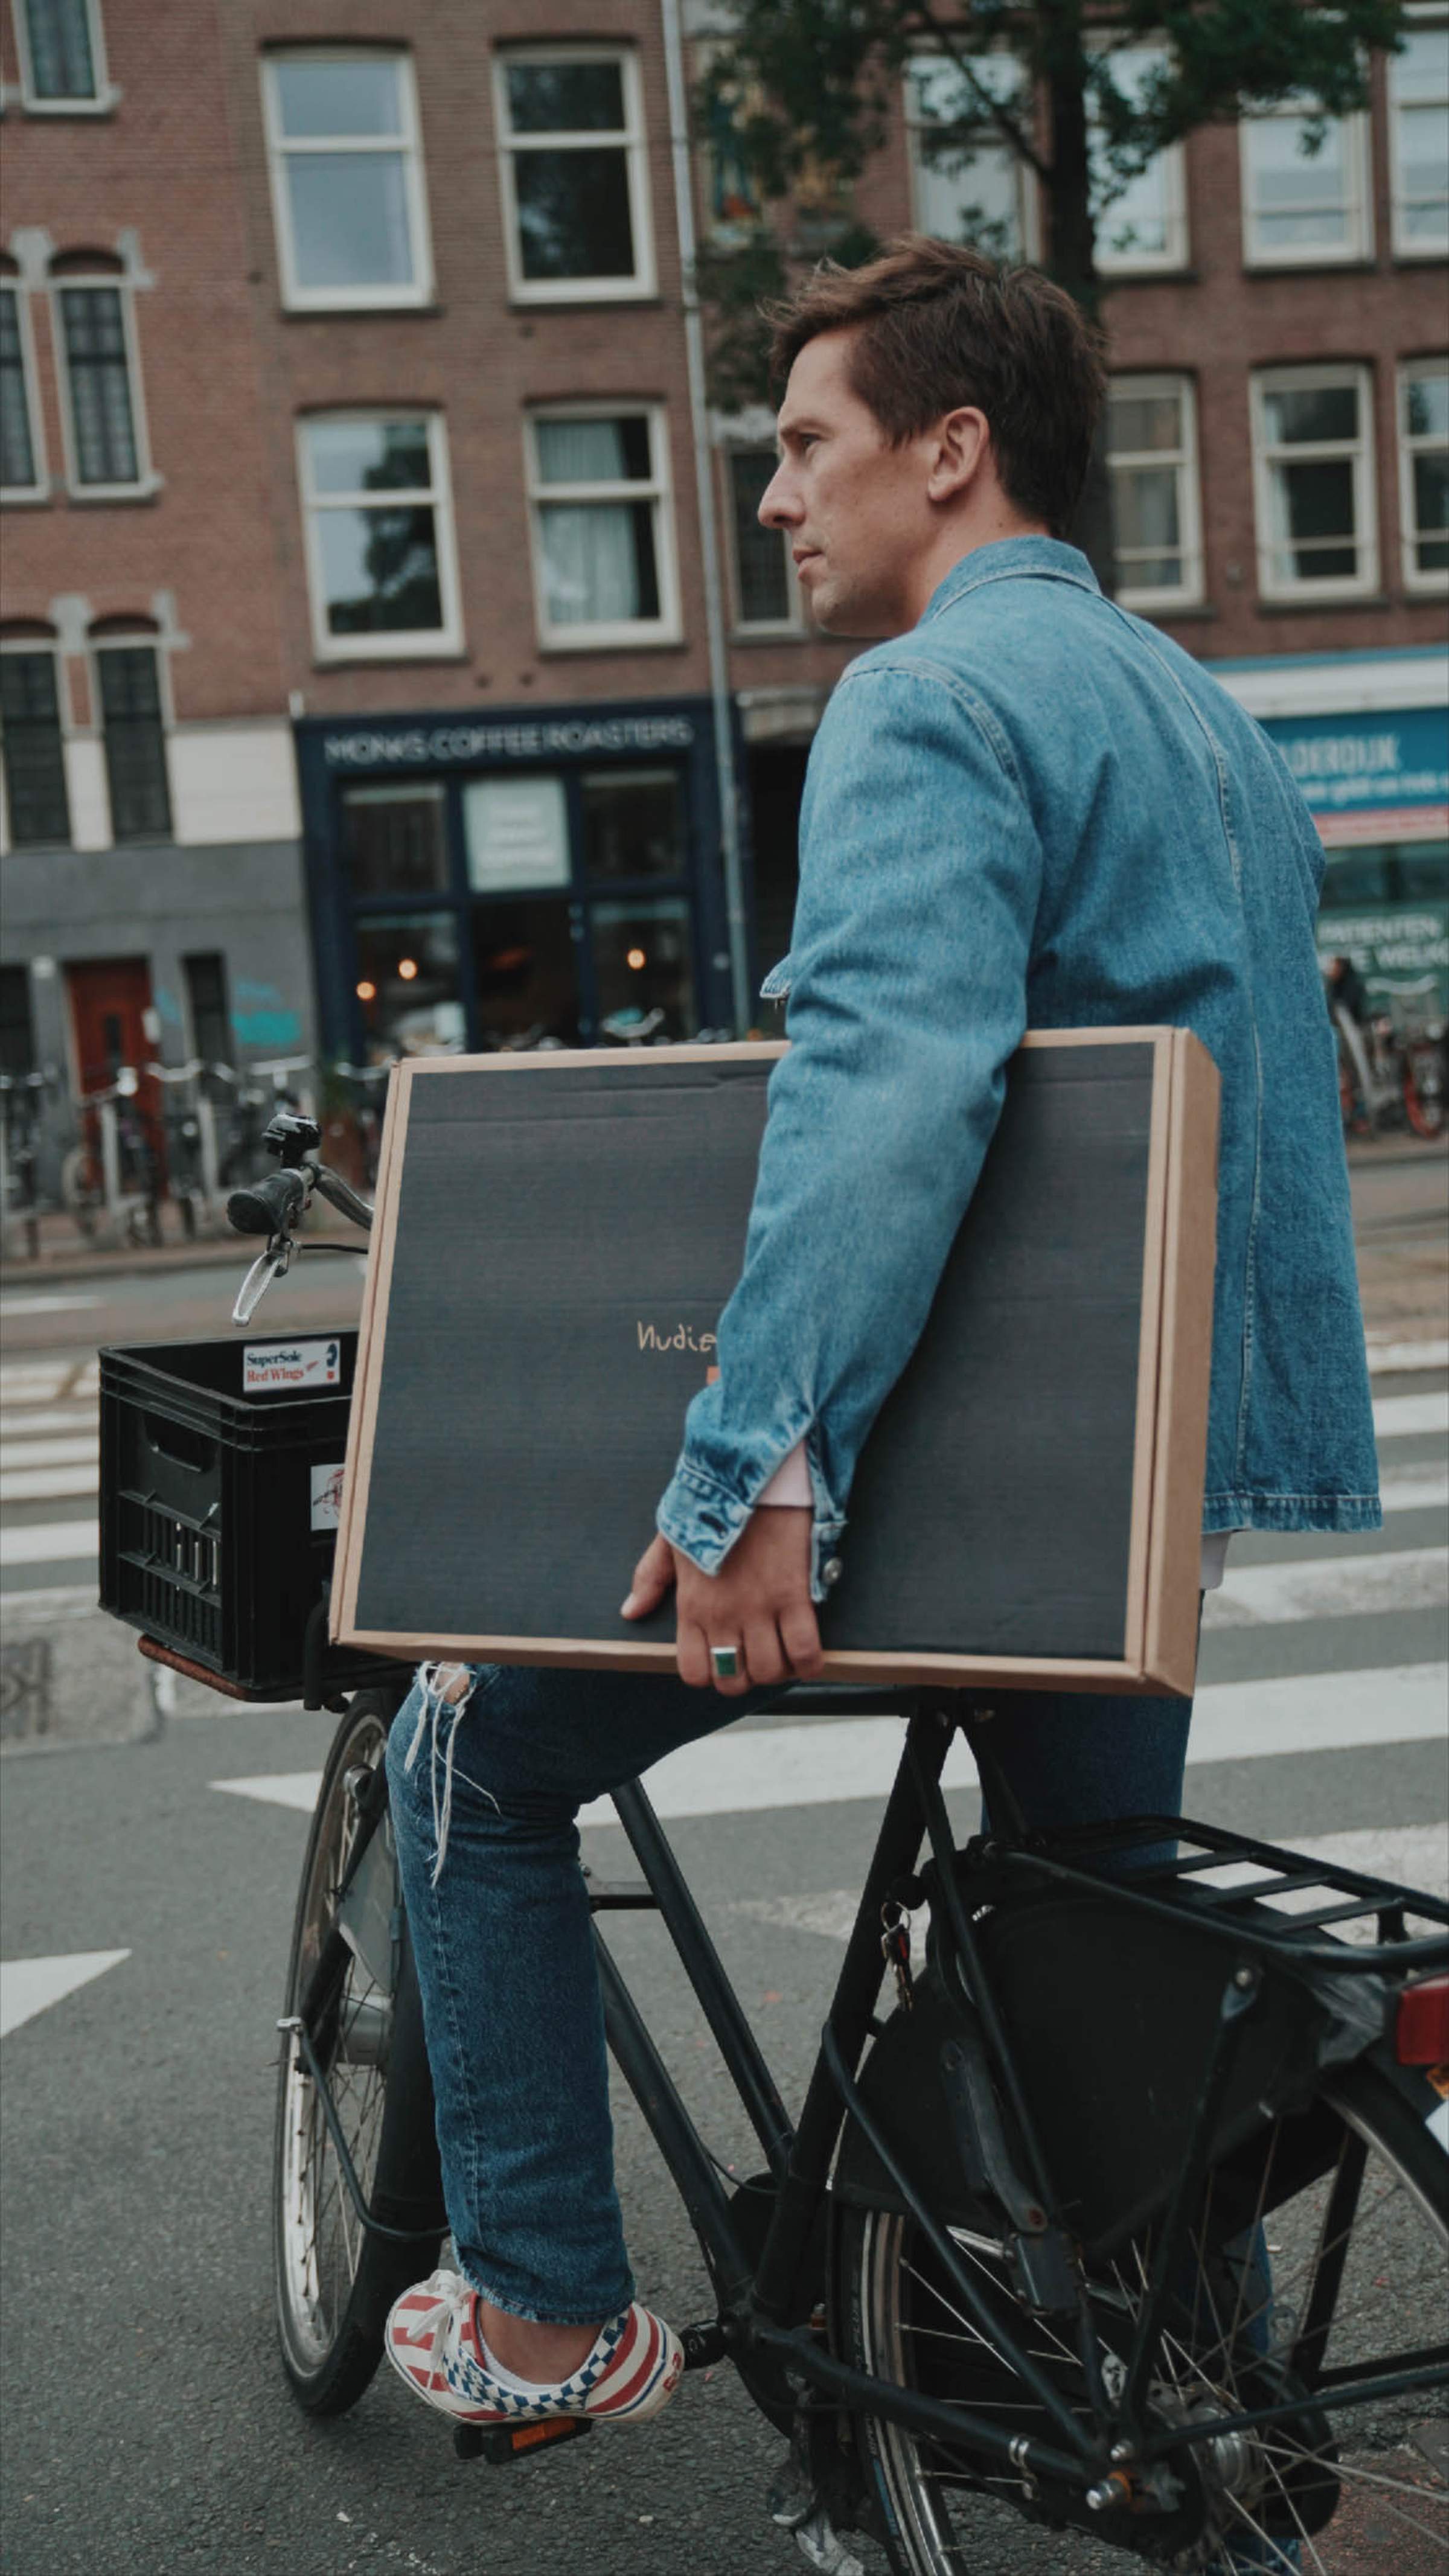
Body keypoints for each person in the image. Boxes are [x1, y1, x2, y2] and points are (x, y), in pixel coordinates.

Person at [382, 240, 1380, 2487]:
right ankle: (1194, 2391)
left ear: (953, 449)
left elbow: (885, 1090)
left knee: (474, 1757)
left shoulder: (928, 703)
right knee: (1093, 1916)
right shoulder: (1203, 712)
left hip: (957, 1485)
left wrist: (757, 1465)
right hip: (1136, 1484)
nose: (772, 499)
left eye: (807, 443)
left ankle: (545, 2303)